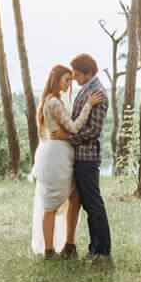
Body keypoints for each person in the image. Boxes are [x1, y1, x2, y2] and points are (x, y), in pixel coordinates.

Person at [31, 64, 101, 258]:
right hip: (57, 158)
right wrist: (89, 104)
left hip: (61, 154)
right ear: (56, 79)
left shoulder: (53, 100)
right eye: (66, 79)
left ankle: (68, 245)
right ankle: (49, 250)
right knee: (51, 204)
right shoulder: (53, 102)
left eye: (71, 79)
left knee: (74, 197)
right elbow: (74, 127)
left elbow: (64, 130)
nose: (70, 83)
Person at [63, 53, 112, 264]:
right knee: (88, 204)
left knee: (93, 203)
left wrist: (69, 139)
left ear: (88, 72)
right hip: (80, 156)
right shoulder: (88, 90)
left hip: (88, 157)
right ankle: (95, 248)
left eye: (76, 74)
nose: (74, 78)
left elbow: (93, 130)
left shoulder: (98, 92)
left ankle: (102, 250)